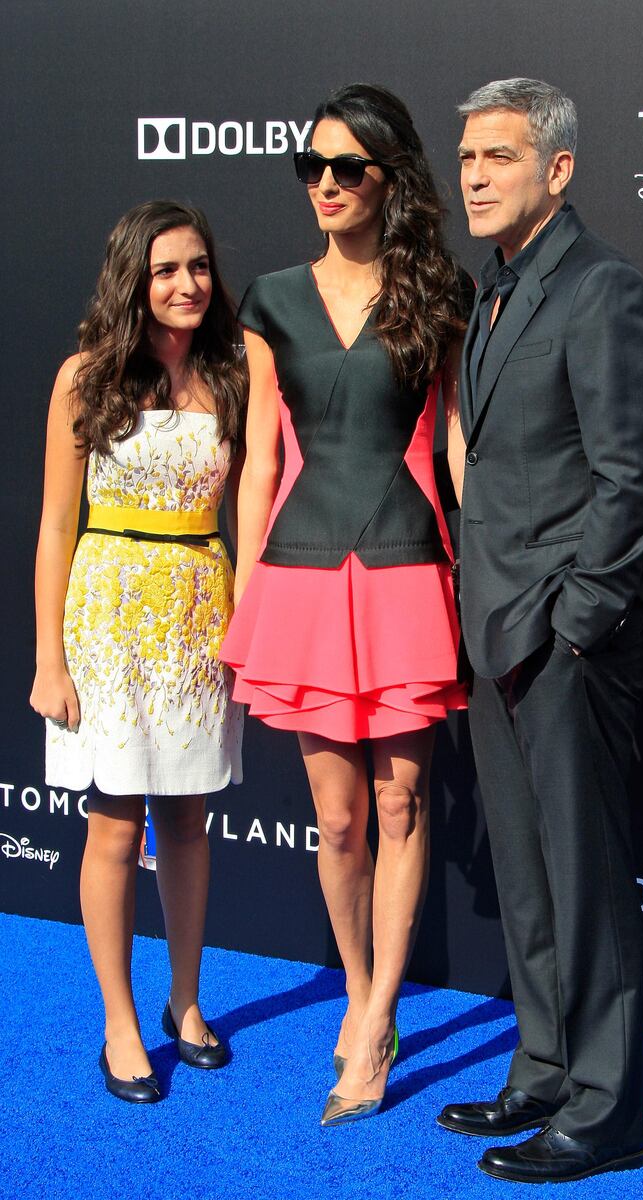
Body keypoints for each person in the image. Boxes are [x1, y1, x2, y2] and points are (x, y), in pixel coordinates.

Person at [221, 83, 471, 1125]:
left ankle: (370, 1023)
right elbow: (257, 462)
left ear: (386, 177)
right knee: (336, 819)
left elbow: (455, 438)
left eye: (346, 168)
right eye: (310, 167)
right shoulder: (272, 298)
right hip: (301, 576)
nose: (324, 184)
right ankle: (365, 984)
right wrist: (240, 601)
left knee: (404, 804)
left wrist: (488, 562)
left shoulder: (436, 293)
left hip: (410, 564)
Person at [437, 79, 643, 1182]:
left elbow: (628, 485)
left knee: (582, 876)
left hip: (565, 641)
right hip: (492, 630)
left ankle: (605, 1106)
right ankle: (539, 1066)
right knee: (529, 875)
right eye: (466, 156)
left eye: (497, 157)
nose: (471, 175)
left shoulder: (602, 291)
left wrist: (573, 625)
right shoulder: (493, 291)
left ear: (558, 169)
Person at [30, 200, 247, 1103]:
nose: (186, 284)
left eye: (198, 266)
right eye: (166, 270)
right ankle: (120, 1024)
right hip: (109, 615)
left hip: (200, 609)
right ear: (133, 278)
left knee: (191, 820)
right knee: (116, 823)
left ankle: (184, 1006)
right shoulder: (85, 379)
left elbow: (249, 509)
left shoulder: (233, 376)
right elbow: (53, 527)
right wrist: (49, 657)